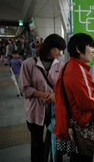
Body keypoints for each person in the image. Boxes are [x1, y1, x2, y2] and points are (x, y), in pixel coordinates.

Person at [54, 33, 94, 162]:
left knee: (77, 157)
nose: (93, 51)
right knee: (83, 157)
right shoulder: (78, 70)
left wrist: (92, 91)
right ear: (78, 49)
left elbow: (74, 94)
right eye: (90, 46)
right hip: (80, 125)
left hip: (68, 121)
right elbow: (88, 103)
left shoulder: (68, 65)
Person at [19, 34, 66, 162]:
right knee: (36, 142)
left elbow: (63, 87)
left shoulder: (60, 65)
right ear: (49, 47)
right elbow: (24, 88)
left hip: (53, 111)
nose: (59, 53)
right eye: (58, 49)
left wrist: (54, 96)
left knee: (55, 141)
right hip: (35, 111)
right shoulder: (28, 64)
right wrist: (41, 94)